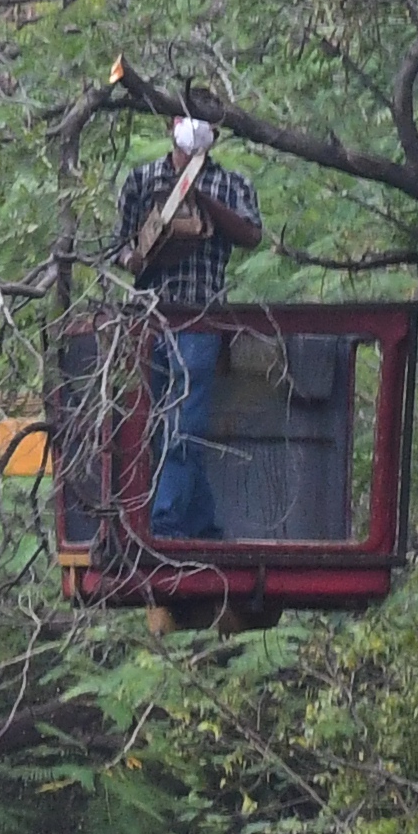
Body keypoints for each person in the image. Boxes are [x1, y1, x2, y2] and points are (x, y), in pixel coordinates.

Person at [115, 118, 262, 539]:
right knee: (154, 426)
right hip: (149, 321)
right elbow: (119, 243)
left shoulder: (231, 183)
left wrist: (198, 197)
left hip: (200, 316)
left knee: (185, 423)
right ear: (171, 126)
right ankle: (200, 522)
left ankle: (166, 522)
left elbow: (251, 234)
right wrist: (134, 257)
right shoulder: (142, 180)